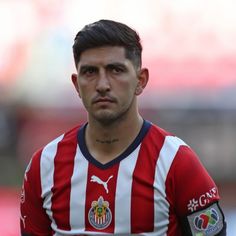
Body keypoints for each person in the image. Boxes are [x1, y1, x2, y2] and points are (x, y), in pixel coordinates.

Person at [20, 19, 227, 236]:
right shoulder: (44, 166)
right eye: (90, 72)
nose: (102, 85)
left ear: (141, 80)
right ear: (76, 84)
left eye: (116, 70)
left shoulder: (176, 162)